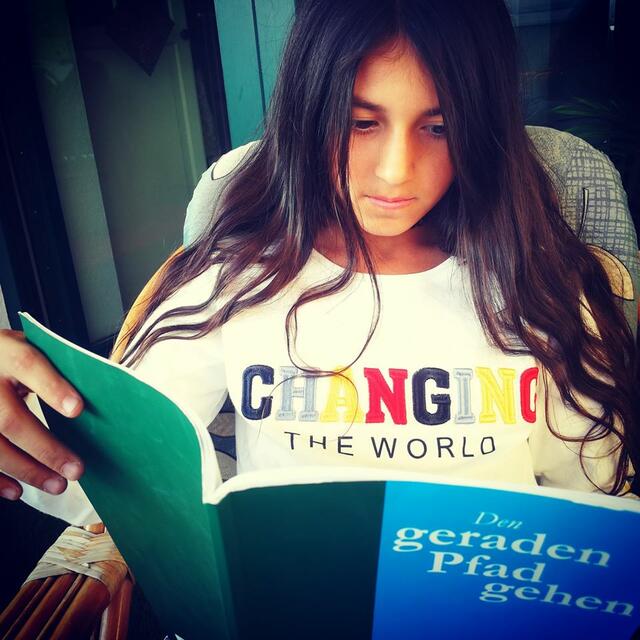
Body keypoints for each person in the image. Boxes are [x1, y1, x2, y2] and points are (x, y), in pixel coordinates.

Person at [0, 0, 637, 517]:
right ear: (308, 115)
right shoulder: (237, 280)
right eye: (361, 122)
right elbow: (100, 478)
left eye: (439, 127)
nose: (396, 171)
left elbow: (595, 502)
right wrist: (21, 415)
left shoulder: (543, 293)